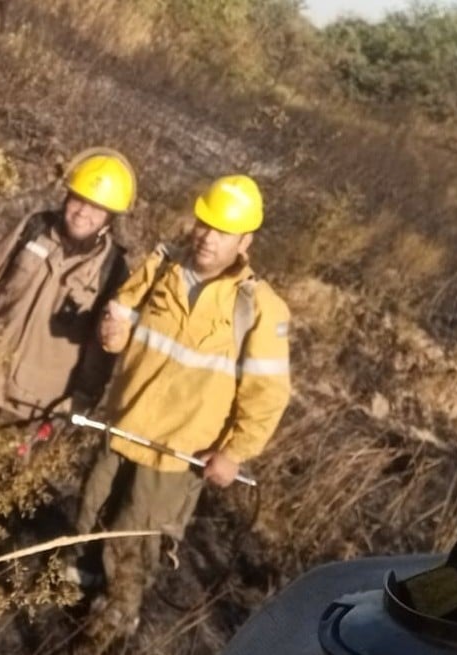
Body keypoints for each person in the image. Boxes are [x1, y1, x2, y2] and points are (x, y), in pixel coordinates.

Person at [75, 175, 293, 651]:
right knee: (90, 516)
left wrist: (235, 452)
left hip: (175, 455)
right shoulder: (161, 268)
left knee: (132, 546)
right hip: (122, 428)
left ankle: (107, 632)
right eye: (204, 223)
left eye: (221, 231)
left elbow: (268, 394)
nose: (207, 237)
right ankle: (77, 600)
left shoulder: (256, 309)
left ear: (245, 241)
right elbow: (123, 320)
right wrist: (113, 331)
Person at [0, 148, 135, 449]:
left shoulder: (113, 271)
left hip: (28, 408)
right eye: (78, 200)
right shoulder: (34, 228)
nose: (83, 212)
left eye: (96, 208)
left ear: (110, 219)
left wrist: (79, 403)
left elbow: (99, 354)